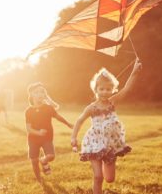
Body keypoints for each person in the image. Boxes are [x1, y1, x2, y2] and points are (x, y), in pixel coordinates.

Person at [71, 58, 142, 194]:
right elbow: (80, 121)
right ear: (95, 90)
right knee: (98, 177)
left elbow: (127, 89)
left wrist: (134, 72)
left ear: (113, 89)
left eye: (108, 89)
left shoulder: (112, 102)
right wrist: (73, 137)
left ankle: (106, 163)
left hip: (110, 144)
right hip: (94, 143)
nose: (105, 92)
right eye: (101, 89)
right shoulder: (91, 108)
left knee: (109, 179)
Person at [25, 82, 73, 182]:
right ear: (32, 94)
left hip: (47, 138)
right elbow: (28, 129)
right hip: (33, 139)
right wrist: (38, 132)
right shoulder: (28, 111)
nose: (40, 94)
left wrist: (67, 123)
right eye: (37, 92)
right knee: (34, 161)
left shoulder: (48, 108)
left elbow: (58, 117)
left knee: (51, 156)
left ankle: (44, 161)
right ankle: (39, 180)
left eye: (42, 92)